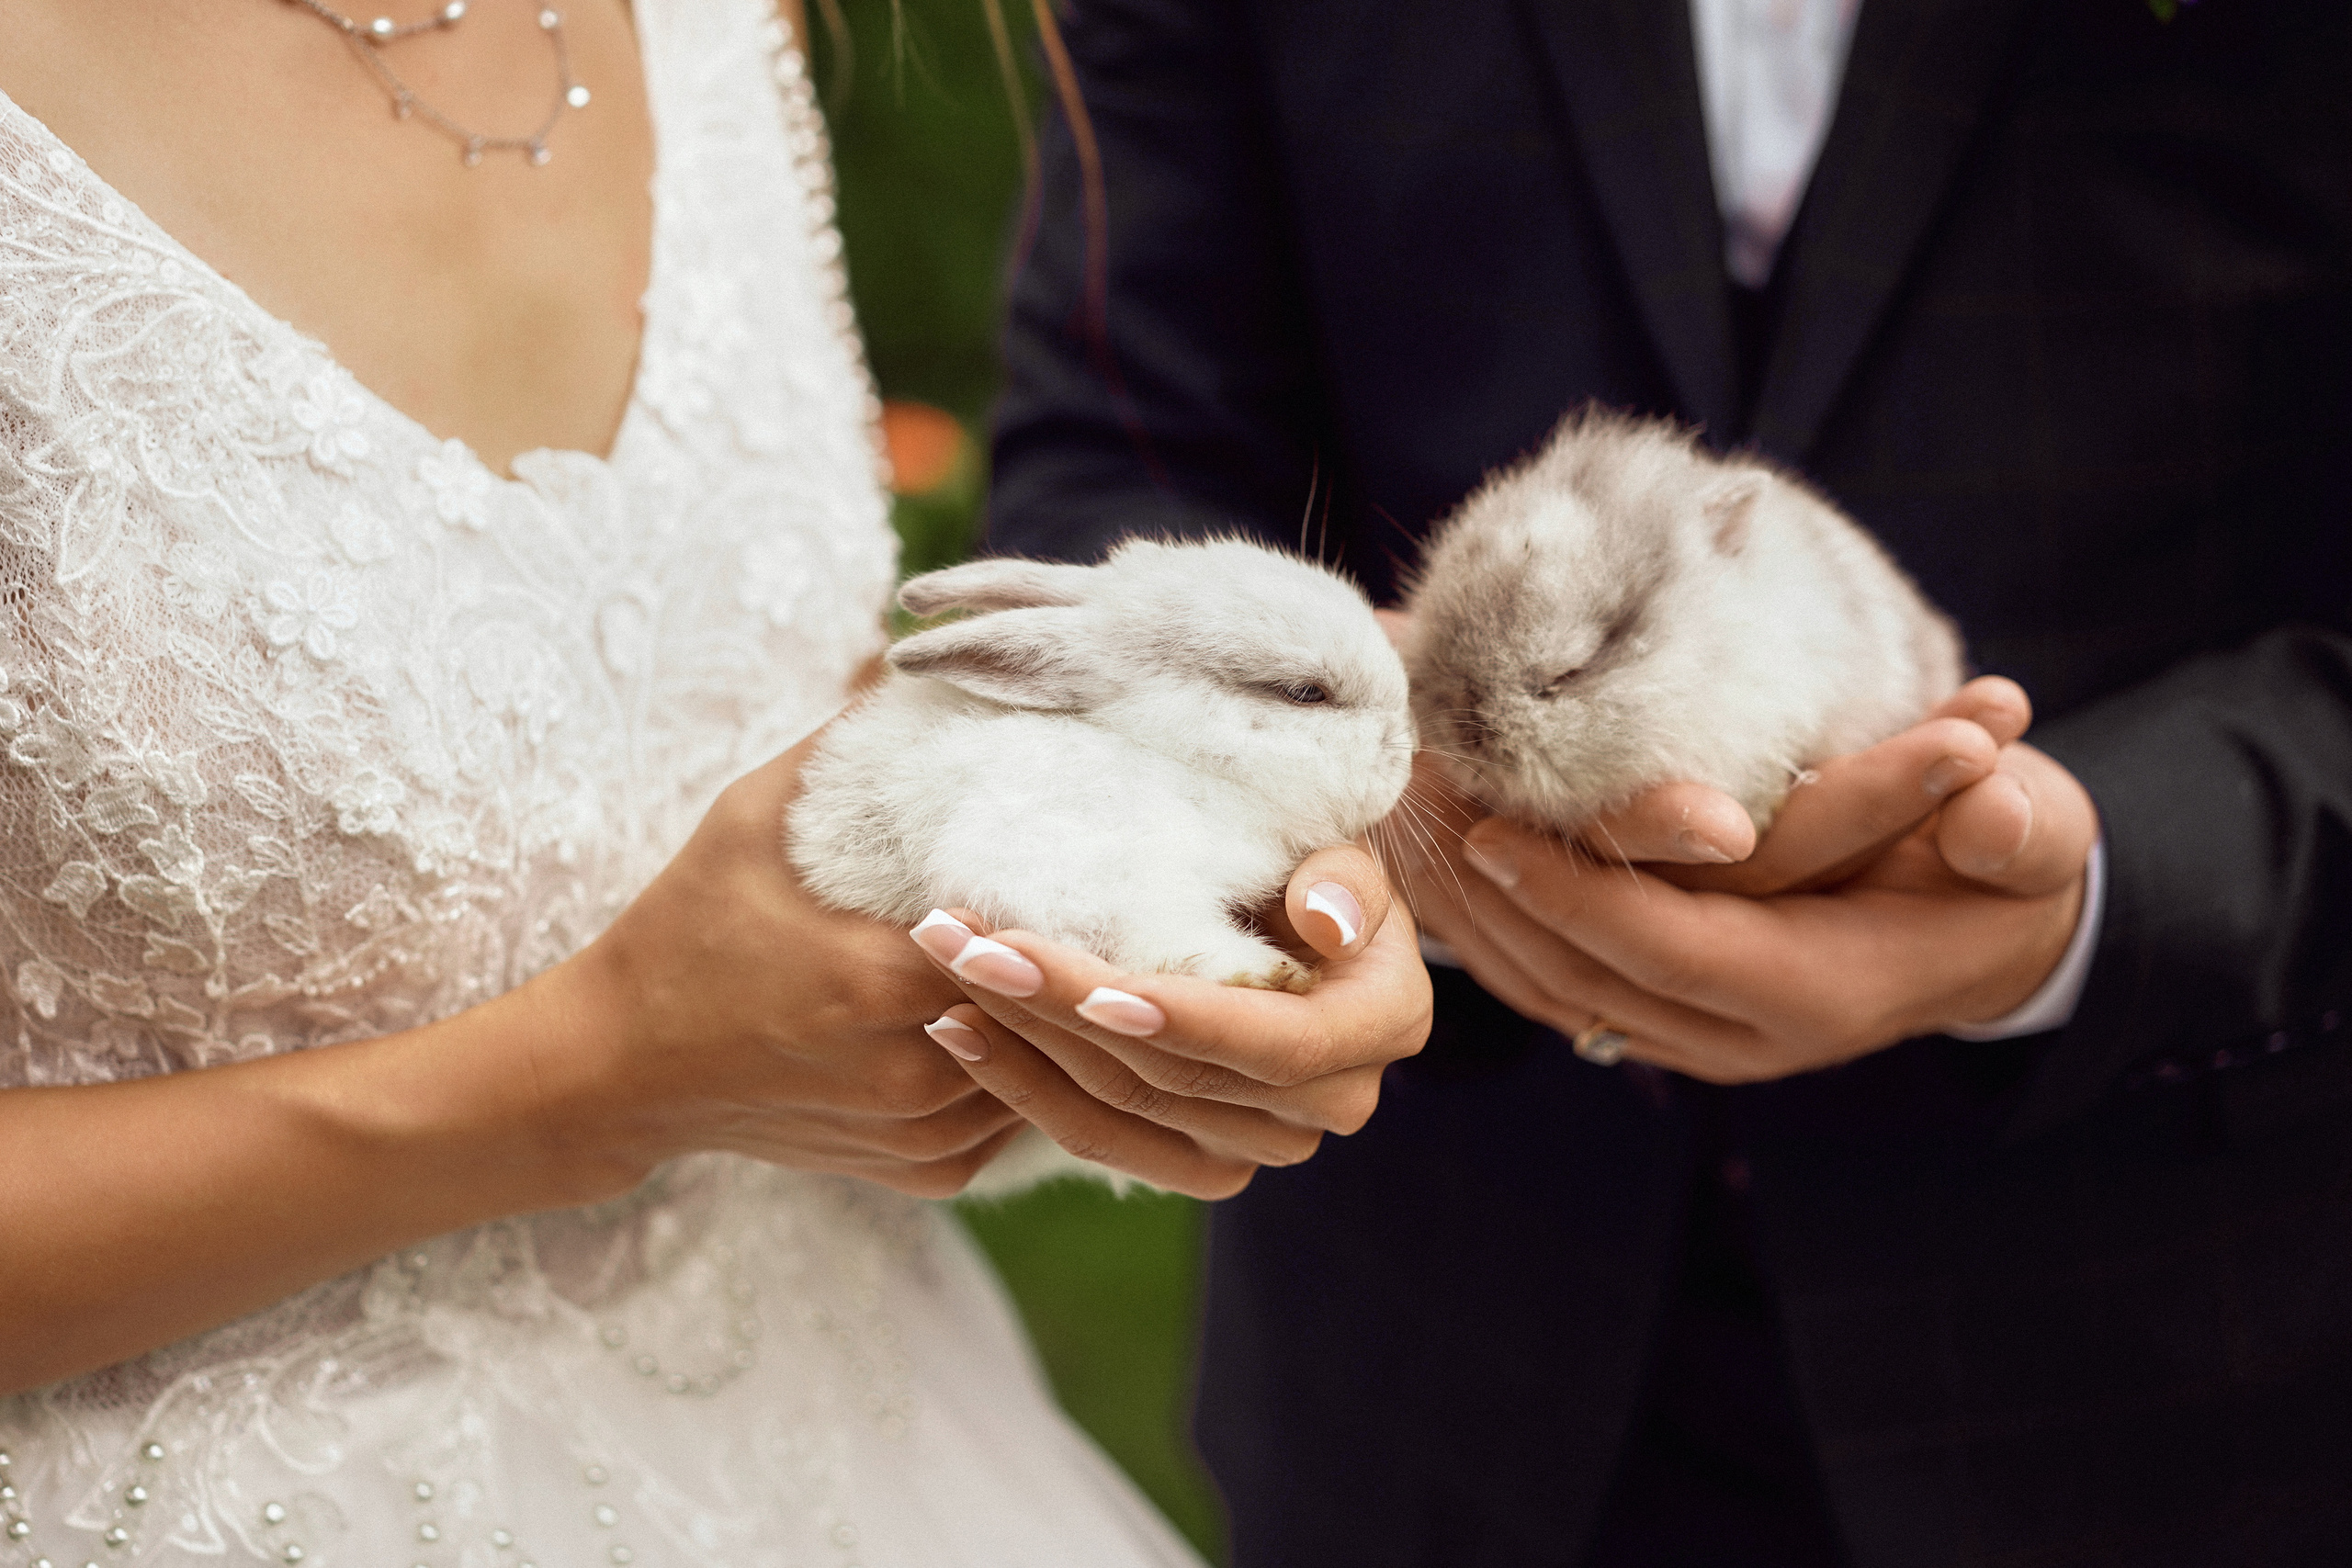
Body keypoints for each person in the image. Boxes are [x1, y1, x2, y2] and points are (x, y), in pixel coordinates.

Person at [0, 1, 1429, 1562]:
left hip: (856, 1426)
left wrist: (1161, 917)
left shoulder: (721, 24)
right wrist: (599, 1076)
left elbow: (785, 713)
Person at [986, 0, 2352, 1562]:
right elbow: (1120, 440)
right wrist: (1357, 804)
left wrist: (2115, 882)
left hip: (2168, 1359)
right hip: (1435, 1353)